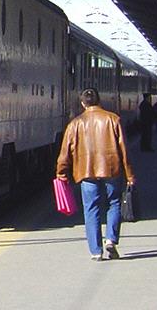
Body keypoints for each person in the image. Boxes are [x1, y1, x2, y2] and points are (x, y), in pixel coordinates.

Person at [56, 88, 136, 261]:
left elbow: (65, 152)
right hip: (111, 170)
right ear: (99, 101)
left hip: (86, 172)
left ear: (83, 103)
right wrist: (130, 175)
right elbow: (124, 151)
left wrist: (61, 173)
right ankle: (111, 240)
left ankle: (96, 251)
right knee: (114, 203)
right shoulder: (113, 119)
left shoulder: (75, 124)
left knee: (91, 209)